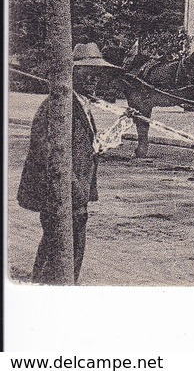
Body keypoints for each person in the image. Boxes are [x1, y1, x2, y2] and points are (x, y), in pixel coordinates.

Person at [20, 42, 114, 283]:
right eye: (88, 73)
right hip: (61, 198)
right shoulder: (57, 107)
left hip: (75, 197)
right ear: (72, 73)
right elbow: (48, 154)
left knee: (61, 256)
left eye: (98, 74)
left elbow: (81, 146)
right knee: (60, 259)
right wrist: (74, 190)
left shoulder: (80, 104)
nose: (95, 79)